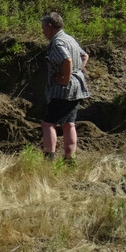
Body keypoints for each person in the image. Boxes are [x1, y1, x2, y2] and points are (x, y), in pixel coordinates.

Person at [40, 12, 89, 163]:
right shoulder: (70, 39)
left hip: (63, 90)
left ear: (50, 26)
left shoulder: (58, 42)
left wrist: (66, 78)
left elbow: (66, 60)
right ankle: (69, 160)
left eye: (43, 28)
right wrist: (78, 71)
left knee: (48, 123)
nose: (43, 32)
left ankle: (48, 160)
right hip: (77, 88)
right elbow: (85, 56)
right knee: (69, 124)